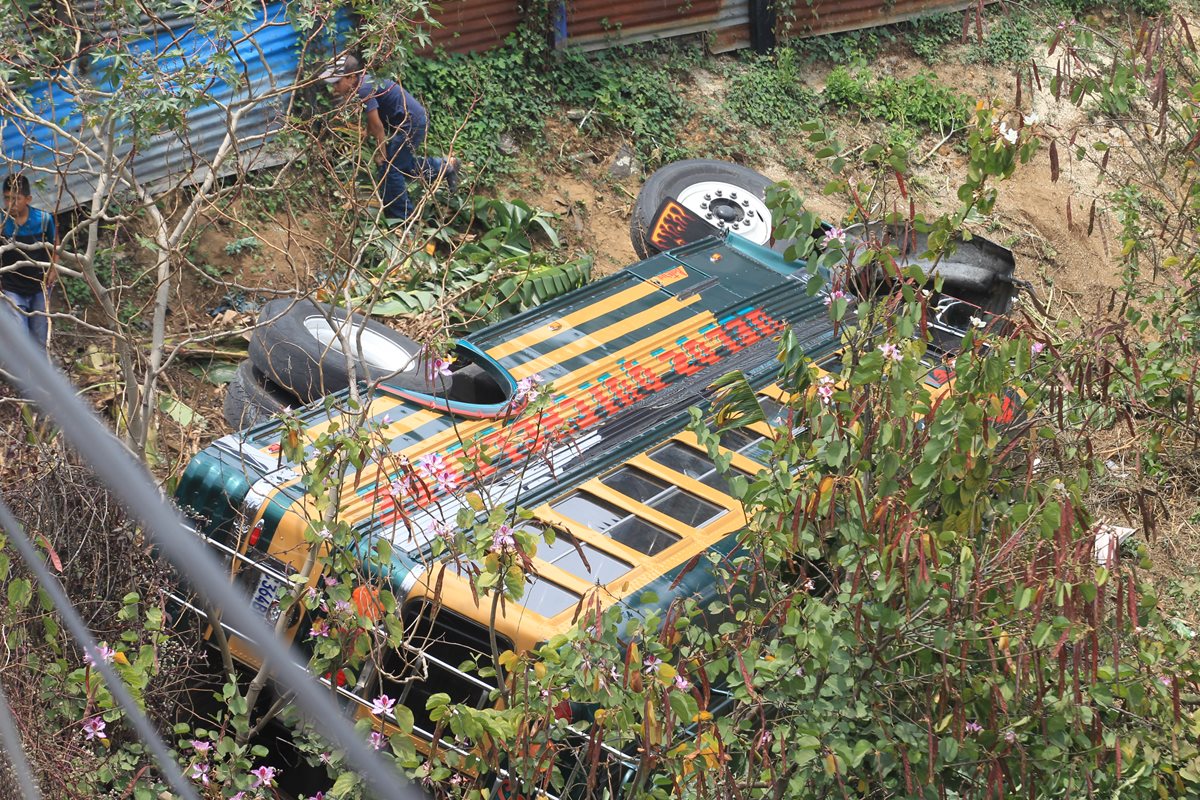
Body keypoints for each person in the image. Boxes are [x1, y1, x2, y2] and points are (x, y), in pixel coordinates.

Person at [321, 54, 459, 222]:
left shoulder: (363, 89)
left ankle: (406, 220)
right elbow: (373, 118)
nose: (334, 88)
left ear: (351, 77)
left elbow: (378, 127)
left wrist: (381, 153)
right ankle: (446, 166)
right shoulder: (363, 82)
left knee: (390, 169)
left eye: (337, 82)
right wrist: (366, 132)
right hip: (411, 121)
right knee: (403, 165)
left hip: (411, 123)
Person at [1, 174, 56, 350]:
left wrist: (53, 269)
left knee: (40, 335)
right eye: (7, 199)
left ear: (28, 199)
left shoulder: (43, 220)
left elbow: (55, 245)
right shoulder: (2, 222)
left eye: (16, 199)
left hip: (40, 286)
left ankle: (41, 371)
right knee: (20, 337)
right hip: (12, 288)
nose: (10, 204)